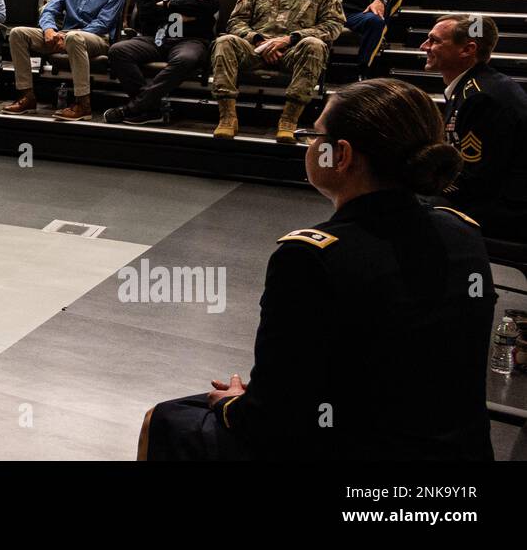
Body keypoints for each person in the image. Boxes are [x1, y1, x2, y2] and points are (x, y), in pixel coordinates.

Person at [140, 78, 494, 461]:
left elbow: (270, 420)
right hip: (457, 447)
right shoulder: (462, 231)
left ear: (340, 155)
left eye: (315, 134)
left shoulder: (309, 257)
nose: (310, 144)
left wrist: (233, 404)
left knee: (162, 419)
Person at [212, 0, 344, 142]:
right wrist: (258, 40)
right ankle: (227, 116)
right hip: (256, 50)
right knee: (224, 41)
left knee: (315, 45)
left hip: (294, 53)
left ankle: (289, 119)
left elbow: (333, 26)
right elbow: (235, 22)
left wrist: (289, 40)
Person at [422, 14, 527, 243]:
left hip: (510, 210)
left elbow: (475, 181)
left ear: (467, 49)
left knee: (403, 206)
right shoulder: (474, 87)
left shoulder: (480, 98)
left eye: (435, 41)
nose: (424, 46)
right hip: (496, 196)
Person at [2, 0, 125, 122]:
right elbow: (48, 10)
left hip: (97, 39)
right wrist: (49, 30)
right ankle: (27, 96)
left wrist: (65, 36)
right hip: (63, 35)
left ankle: (83, 104)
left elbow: (103, 23)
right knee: (18, 33)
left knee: (74, 37)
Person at [105, 0, 220, 125]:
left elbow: (210, 5)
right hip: (155, 38)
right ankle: (150, 106)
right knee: (118, 50)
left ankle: (135, 108)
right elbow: (146, 12)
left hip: (190, 40)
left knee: (186, 59)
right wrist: (187, 14)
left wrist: (168, 5)